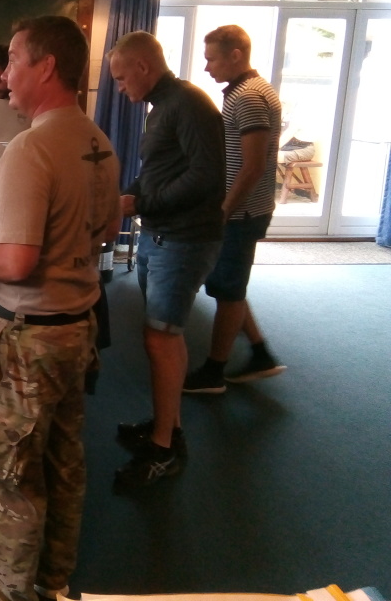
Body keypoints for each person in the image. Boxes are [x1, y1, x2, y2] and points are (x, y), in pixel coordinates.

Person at [0, 16, 120, 601]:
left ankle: (6, 594)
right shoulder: (98, 142)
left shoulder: (30, 148)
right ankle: (54, 582)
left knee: (9, 478)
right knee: (63, 464)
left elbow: (15, 262)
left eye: (15, 61)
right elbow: (107, 231)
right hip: (78, 328)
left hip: (27, 340)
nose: (4, 76)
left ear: (46, 67)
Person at [108, 30, 225, 488]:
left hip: (184, 239)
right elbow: (158, 172)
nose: (120, 88)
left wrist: (143, 203)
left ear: (143, 66)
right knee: (162, 335)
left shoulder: (189, 104)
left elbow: (206, 176)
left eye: (122, 78)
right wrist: (130, 195)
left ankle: (164, 449)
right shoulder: (164, 107)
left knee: (160, 336)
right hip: (161, 235)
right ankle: (166, 426)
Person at [183, 25, 285, 393]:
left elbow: (253, 166)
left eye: (211, 59)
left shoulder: (249, 97)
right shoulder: (248, 91)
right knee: (231, 285)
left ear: (235, 55)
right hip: (245, 210)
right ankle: (259, 352)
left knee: (228, 291)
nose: (207, 67)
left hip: (241, 213)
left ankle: (215, 371)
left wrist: (223, 212)